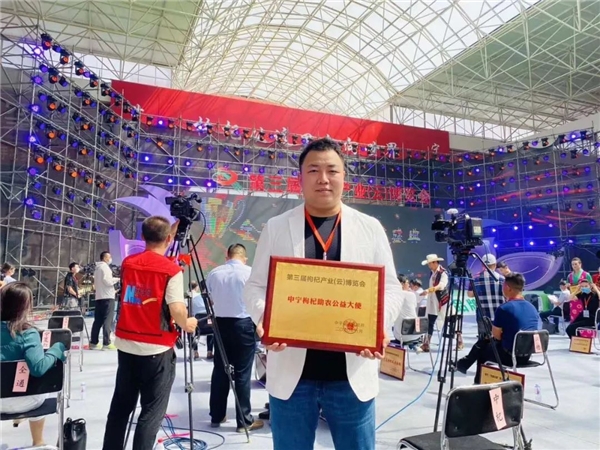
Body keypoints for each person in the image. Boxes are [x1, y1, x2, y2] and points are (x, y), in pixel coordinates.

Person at [243, 137, 402, 450]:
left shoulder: (369, 227)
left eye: (332, 170)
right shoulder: (277, 227)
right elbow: (255, 286)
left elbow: (391, 288)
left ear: (344, 177)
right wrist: (267, 319)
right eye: (313, 170)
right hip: (292, 376)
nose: (323, 178)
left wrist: (378, 326)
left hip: (352, 375)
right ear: (301, 178)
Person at [102, 216, 197, 450]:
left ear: (143, 236)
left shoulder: (128, 263)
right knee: (151, 412)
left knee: (120, 408)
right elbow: (176, 309)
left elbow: (150, 264)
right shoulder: (171, 270)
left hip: (126, 344)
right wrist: (187, 323)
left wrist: (170, 231)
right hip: (156, 348)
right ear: (168, 239)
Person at [1, 282, 67, 447]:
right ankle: (38, 441)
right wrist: (56, 349)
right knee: (39, 385)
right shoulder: (28, 333)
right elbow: (38, 368)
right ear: (25, 306)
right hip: (27, 401)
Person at [207, 243, 262, 432]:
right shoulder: (250, 273)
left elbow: (210, 299)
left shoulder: (214, 273)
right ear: (244, 258)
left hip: (220, 325)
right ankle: (244, 421)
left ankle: (217, 415)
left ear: (227, 257)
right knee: (242, 373)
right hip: (243, 324)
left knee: (220, 370)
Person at [455, 273, 539, 383]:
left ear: (507, 288)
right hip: (527, 355)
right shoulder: (532, 307)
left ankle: (478, 383)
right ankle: (464, 365)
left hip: (510, 356)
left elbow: (496, 336)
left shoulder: (504, 308)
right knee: (484, 342)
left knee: (483, 349)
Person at [419, 254, 459, 351]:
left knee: (451, 320)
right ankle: (426, 343)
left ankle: (460, 340)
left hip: (442, 300)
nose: (429, 265)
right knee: (430, 322)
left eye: (430, 263)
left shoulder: (443, 273)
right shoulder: (432, 273)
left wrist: (429, 290)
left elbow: (441, 285)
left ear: (435, 262)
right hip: (433, 301)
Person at [467, 254, 505, 337]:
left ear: (482, 265)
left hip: (483, 317)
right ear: (495, 265)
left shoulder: (475, 279)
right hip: (500, 315)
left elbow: (469, 294)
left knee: (484, 341)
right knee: (500, 339)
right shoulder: (502, 279)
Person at [90, 252, 119, 350]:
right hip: (108, 297)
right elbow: (108, 281)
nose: (110, 258)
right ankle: (106, 342)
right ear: (105, 258)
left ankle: (93, 342)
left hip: (99, 297)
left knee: (98, 320)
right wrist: (117, 280)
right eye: (109, 257)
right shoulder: (105, 267)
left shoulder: (97, 268)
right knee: (108, 319)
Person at [392, 275, 420, 345]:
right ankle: (413, 346)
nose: (409, 285)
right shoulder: (412, 295)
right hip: (416, 333)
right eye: (407, 283)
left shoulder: (395, 295)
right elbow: (414, 306)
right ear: (402, 284)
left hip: (401, 336)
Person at [190, 280, 214, 360]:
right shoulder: (212, 300)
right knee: (212, 325)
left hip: (198, 328)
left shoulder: (194, 300)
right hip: (210, 328)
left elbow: (191, 314)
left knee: (190, 330)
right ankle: (209, 352)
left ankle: (195, 352)